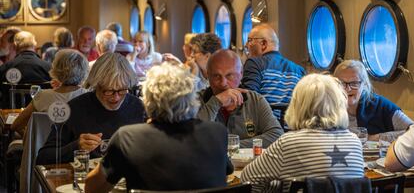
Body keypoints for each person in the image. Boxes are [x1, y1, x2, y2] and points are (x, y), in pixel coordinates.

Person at [85, 62, 232, 192]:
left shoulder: (127, 138)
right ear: (191, 98)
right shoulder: (216, 132)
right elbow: (227, 171)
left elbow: (92, 189)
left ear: (147, 100)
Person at [241, 74, 365, 192]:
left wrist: (280, 187)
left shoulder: (288, 143)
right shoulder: (355, 141)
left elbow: (247, 179)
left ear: (298, 106)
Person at [36, 52, 145, 164]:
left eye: (122, 90)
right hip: (87, 178)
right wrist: (76, 146)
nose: (116, 97)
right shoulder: (75, 108)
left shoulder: (138, 107)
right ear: (96, 85)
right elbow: (43, 157)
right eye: (109, 91)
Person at [198, 49, 283, 148]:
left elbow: (277, 135)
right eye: (217, 76)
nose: (223, 83)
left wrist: (231, 146)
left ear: (241, 74)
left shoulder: (255, 100)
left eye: (230, 75)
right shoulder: (195, 101)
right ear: (208, 75)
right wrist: (215, 102)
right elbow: (192, 137)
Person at [11, 49, 89, 136]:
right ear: (85, 70)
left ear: (56, 68)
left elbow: (15, 126)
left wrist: (33, 141)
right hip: (77, 148)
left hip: (43, 148)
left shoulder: (42, 96)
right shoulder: (89, 97)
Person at [334, 60, 413, 141]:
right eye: (342, 83)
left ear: (364, 85)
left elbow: (412, 132)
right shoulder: (329, 107)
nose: (348, 89)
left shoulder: (381, 106)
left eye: (354, 83)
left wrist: (374, 138)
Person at [241, 24, 305, 115]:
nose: (246, 45)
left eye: (249, 40)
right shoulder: (299, 70)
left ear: (263, 43)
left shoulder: (254, 63)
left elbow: (249, 101)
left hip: (265, 127)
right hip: (292, 127)